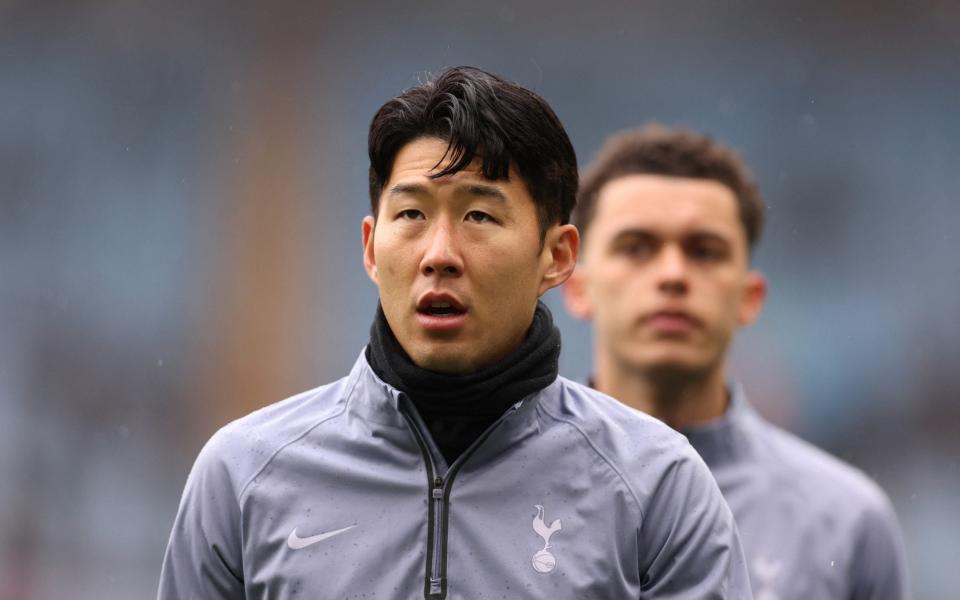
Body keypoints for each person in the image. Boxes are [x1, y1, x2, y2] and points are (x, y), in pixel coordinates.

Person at [158, 68, 752, 599]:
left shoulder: (656, 485)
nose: (439, 254)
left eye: (479, 216)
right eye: (412, 214)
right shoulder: (242, 474)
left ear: (557, 255)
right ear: (370, 247)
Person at [563, 124, 909, 600]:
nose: (672, 274)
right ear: (576, 286)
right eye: (637, 247)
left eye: (705, 251)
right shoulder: (508, 489)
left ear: (750, 297)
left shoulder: (847, 522)